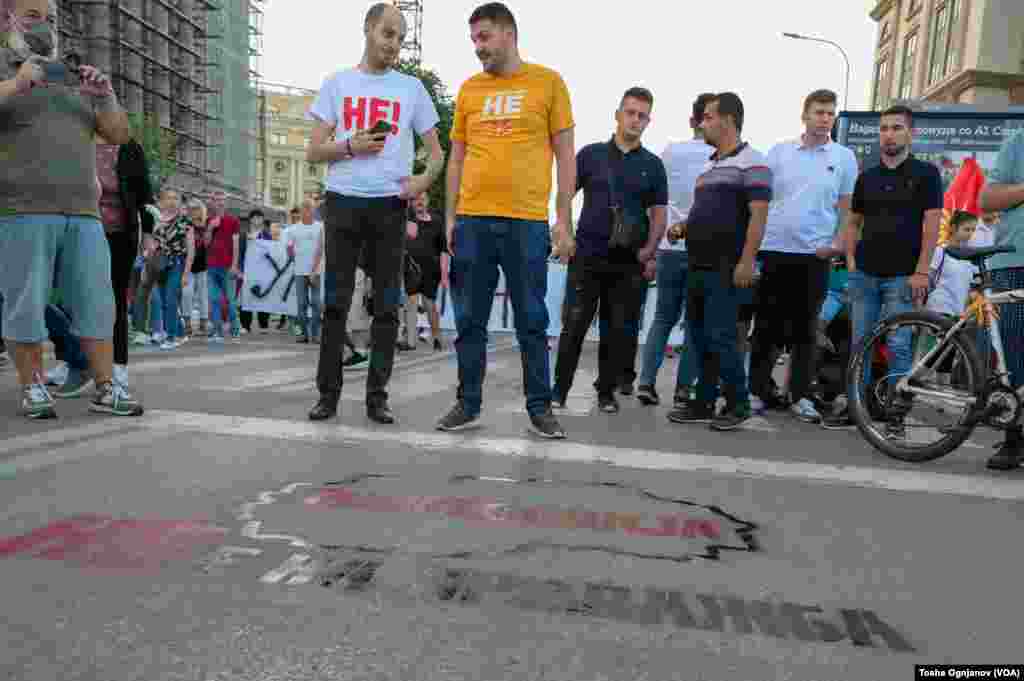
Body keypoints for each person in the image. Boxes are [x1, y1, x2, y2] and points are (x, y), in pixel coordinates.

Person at [437, 2, 576, 438]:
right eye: (474, 39)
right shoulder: (468, 90)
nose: (478, 48)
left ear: (509, 34)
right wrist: (449, 216)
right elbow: (456, 159)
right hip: (474, 220)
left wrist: (563, 218)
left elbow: (566, 156)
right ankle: (468, 403)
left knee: (532, 319)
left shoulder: (549, 83)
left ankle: (540, 407)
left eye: (485, 37)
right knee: (469, 321)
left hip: (526, 222)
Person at [0, 0, 143, 418]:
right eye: (31, 15)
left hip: (83, 212)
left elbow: (118, 134)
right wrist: (17, 82)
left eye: (49, 18)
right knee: (24, 301)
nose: (42, 24)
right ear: (7, 17)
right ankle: (33, 388)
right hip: (21, 208)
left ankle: (106, 387)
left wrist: (105, 96)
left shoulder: (73, 74)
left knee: (97, 301)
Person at [305, 2, 444, 424]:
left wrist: (420, 183)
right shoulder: (338, 83)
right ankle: (327, 394)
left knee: (387, 303)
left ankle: (377, 396)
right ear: (367, 29)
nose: (394, 44)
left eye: (400, 37)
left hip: (389, 205)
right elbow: (313, 151)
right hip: (343, 200)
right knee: (335, 301)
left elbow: (437, 154)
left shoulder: (411, 89)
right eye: (387, 34)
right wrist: (350, 146)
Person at [823, 105, 943, 437]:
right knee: (860, 343)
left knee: (900, 346)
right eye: (884, 128)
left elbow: (931, 225)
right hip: (865, 274)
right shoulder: (867, 177)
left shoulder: (927, 174)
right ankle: (855, 408)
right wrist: (850, 259)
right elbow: (854, 221)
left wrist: (921, 270)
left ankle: (895, 416)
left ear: (910, 134)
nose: (889, 134)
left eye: (896, 128)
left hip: (904, 277)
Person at [551, 87, 667, 414]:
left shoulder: (653, 166)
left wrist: (650, 248)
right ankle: (558, 391)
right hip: (587, 255)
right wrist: (564, 233)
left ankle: (605, 392)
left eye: (642, 115)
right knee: (573, 325)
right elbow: (564, 194)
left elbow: (659, 213)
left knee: (616, 331)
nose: (635, 120)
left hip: (628, 261)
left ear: (648, 121)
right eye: (630, 112)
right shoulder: (590, 155)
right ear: (618, 114)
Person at [748, 89, 858, 424]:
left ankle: (799, 395)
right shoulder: (779, 153)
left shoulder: (843, 158)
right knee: (766, 326)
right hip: (775, 250)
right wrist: (752, 251)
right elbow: (761, 203)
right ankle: (758, 390)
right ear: (805, 116)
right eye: (819, 112)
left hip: (815, 255)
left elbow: (847, 209)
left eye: (830, 113)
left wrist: (837, 244)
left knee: (806, 330)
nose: (825, 118)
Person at [664, 92, 771, 431]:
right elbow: (701, 214)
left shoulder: (754, 162)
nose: (702, 123)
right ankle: (704, 402)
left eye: (708, 117)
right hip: (698, 261)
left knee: (722, 335)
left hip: (728, 265)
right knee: (698, 335)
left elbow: (759, 216)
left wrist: (746, 261)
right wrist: (682, 226)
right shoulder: (709, 166)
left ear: (727, 120)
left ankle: (738, 403)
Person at [636, 92, 715, 408]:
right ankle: (683, 389)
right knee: (695, 323)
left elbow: (653, 202)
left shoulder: (670, 153)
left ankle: (646, 382)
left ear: (691, 121)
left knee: (662, 319)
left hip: (669, 247)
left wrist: (652, 250)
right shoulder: (721, 156)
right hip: (703, 250)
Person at [978, 128, 1024, 470]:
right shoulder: (1018, 142)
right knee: (1016, 354)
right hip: (1015, 260)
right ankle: (1014, 438)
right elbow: (987, 200)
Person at [97, 137, 156, 385]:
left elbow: (144, 192)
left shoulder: (129, 146)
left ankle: (118, 365)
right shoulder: (77, 137)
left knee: (116, 298)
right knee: (77, 299)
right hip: (81, 229)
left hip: (120, 232)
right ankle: (74, 361)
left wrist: (148, 235)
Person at [149, 189, 194, 350]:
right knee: (163, 300)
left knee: (170, 299)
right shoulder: (157, 220)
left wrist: (186, 273)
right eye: (168, 198)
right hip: (160, 264)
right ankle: (181, 333)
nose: (172, 201)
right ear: (162, 201)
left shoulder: (185, 222)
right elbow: (154, 244)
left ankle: (171, 336)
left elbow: (191, 249)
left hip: (177, 263)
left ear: (180, 203)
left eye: (175, 198)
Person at [406, 191, 446, 351]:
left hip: (431, 270)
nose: (419, 202)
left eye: (422, 199)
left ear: (428, 201)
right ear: (412, 203)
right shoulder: (407, 220)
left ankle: (436, 336)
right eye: (416, 200)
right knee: (411, 303)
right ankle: (410, 341)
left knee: (429, 304)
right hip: (410, 269)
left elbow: (443, 249)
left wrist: (444, 274)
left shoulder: (437, 221)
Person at [204, 190, 242, 343]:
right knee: (214, 299)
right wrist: (210, 228)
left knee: (230, 300)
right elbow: (206, 243)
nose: (219, 202)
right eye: (216, 200)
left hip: (227, 266)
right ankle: (216, 331)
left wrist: (234, 265)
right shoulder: (209, 220)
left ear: (226, 203)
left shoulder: (233, 221)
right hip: (212, 266)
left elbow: (236, 244)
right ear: (212, 202)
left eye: (222, 200)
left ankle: (235, 331)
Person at [286, 199, 324, 344]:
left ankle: (315, 334)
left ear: (314, 211)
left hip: (316, 272)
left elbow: (321, 249)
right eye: (305, 209)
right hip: (299, 272)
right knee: (301, 304)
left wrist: (314, 269)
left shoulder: (320, 227)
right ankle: (301, 334)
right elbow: (289, 248)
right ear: (301, 211)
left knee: (316, 303)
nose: (307, 211)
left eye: (310, 209)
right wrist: (293, 257)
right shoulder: (293, 229)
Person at [239, 208, 273, 334]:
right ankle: (245, 325)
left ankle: (263, 324)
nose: (257, 220)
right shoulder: (244, 235)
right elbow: (240, 253)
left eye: (259, 217)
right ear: (250, 220)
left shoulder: (267, 235)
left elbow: (271, 252)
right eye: (254, 217)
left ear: (263, 220)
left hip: (263, 270)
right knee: (245, 298)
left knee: (264, 297)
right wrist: (240, 270)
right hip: (247, 270)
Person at [181, 198, 209, 337]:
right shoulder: (185, 224)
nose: (194, 212)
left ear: (201, 210)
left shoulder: (206, 225)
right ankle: (187, 322)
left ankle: (204, 322)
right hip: (188, 265)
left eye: (196, 208)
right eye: (191, 209)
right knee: (187, 293)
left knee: (203, 295)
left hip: (203, 265)